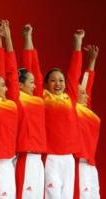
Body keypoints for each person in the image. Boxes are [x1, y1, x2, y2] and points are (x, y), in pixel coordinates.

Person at [44, 29, 85, 199]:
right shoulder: (42, 99)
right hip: (51, 157)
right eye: (53, 80)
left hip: (68, 158)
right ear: (46, 84)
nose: (58, 83)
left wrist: (78, 43)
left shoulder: (70, 98)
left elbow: (74, 73)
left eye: (61, 80)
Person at [15, 24, 46, 199]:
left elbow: (34, 69)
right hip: (25, 157)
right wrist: (26, 37)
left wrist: (30, 37)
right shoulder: (17, 98)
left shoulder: (38, 99)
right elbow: (27, 66)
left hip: (38, 159)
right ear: (20, 84)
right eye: (31, 82)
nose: (34, 85)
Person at [0, 19, 19, 199]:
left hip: (10, 161)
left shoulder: (11, 102)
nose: (7, 87)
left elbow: (11, 72)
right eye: (2, 85)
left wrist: (7, 38)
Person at [74, 45, 100, 199]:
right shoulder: (71, 110)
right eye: (81, 93)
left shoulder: (86, 110)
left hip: (91, 164)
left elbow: (87, 86)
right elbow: (84, 87)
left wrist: (92, 62)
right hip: (78, 164)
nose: (86, 95)